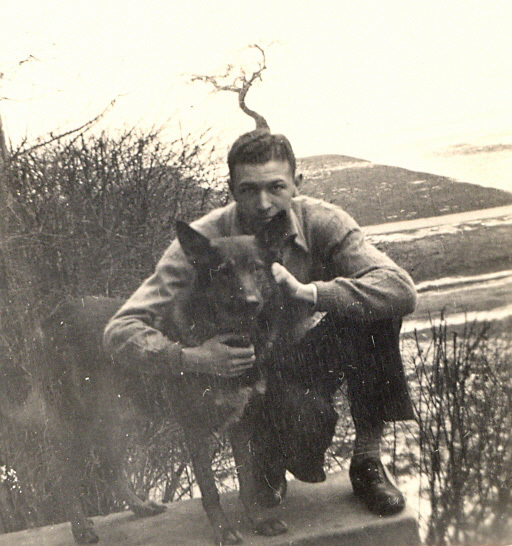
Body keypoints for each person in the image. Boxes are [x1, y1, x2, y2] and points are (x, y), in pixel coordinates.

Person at [104, 129, 417, 517]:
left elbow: (400, 289)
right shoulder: (203, 240)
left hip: (300, 360)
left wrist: (310, 292)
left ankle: (367, 461)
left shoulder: (323, 221)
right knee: (279, 462)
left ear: (296, 185)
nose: (264, 202)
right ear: (231, 189)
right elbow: (119, 330)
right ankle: (269, 465)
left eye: (276, 187)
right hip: (241, 371)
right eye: (249, 189)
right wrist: (191, 358)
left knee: (379, 315)